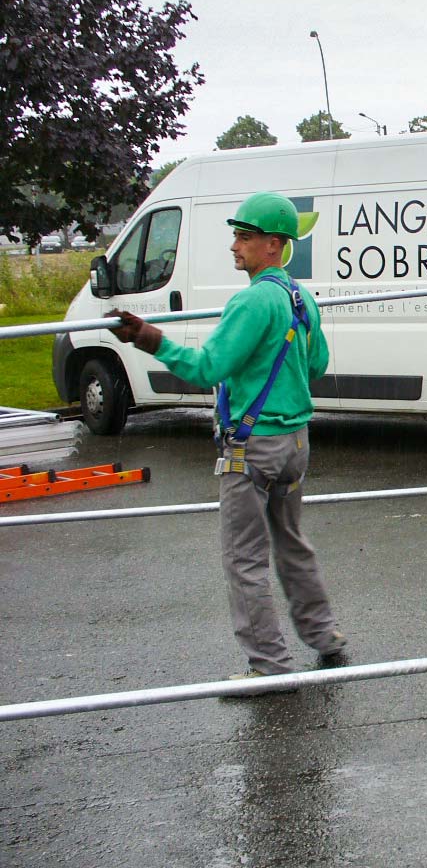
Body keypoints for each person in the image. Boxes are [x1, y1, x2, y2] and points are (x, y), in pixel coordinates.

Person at [109, 192, 346, 686]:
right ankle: (325, 638)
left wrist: (149, 338)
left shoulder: (253, 299)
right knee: (293, 545)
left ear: (274, 247)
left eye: (245, 237)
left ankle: (268, 666)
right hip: (295, 444)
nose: (234, 246)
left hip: (253, 448)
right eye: (236, 236)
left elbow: (207, 367)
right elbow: (318, 364)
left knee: (244, 559)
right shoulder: (300, 298)